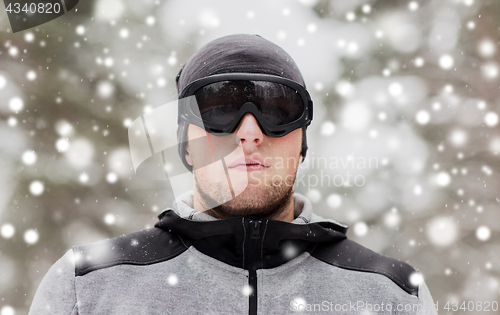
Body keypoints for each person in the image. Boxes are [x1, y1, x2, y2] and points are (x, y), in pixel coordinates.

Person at [29, 34, 437, 315]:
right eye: (219, 108)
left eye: (277, 109)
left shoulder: (393, 294)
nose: (249, 133)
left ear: (302, 141)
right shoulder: (88, 288)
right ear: (185, 141)